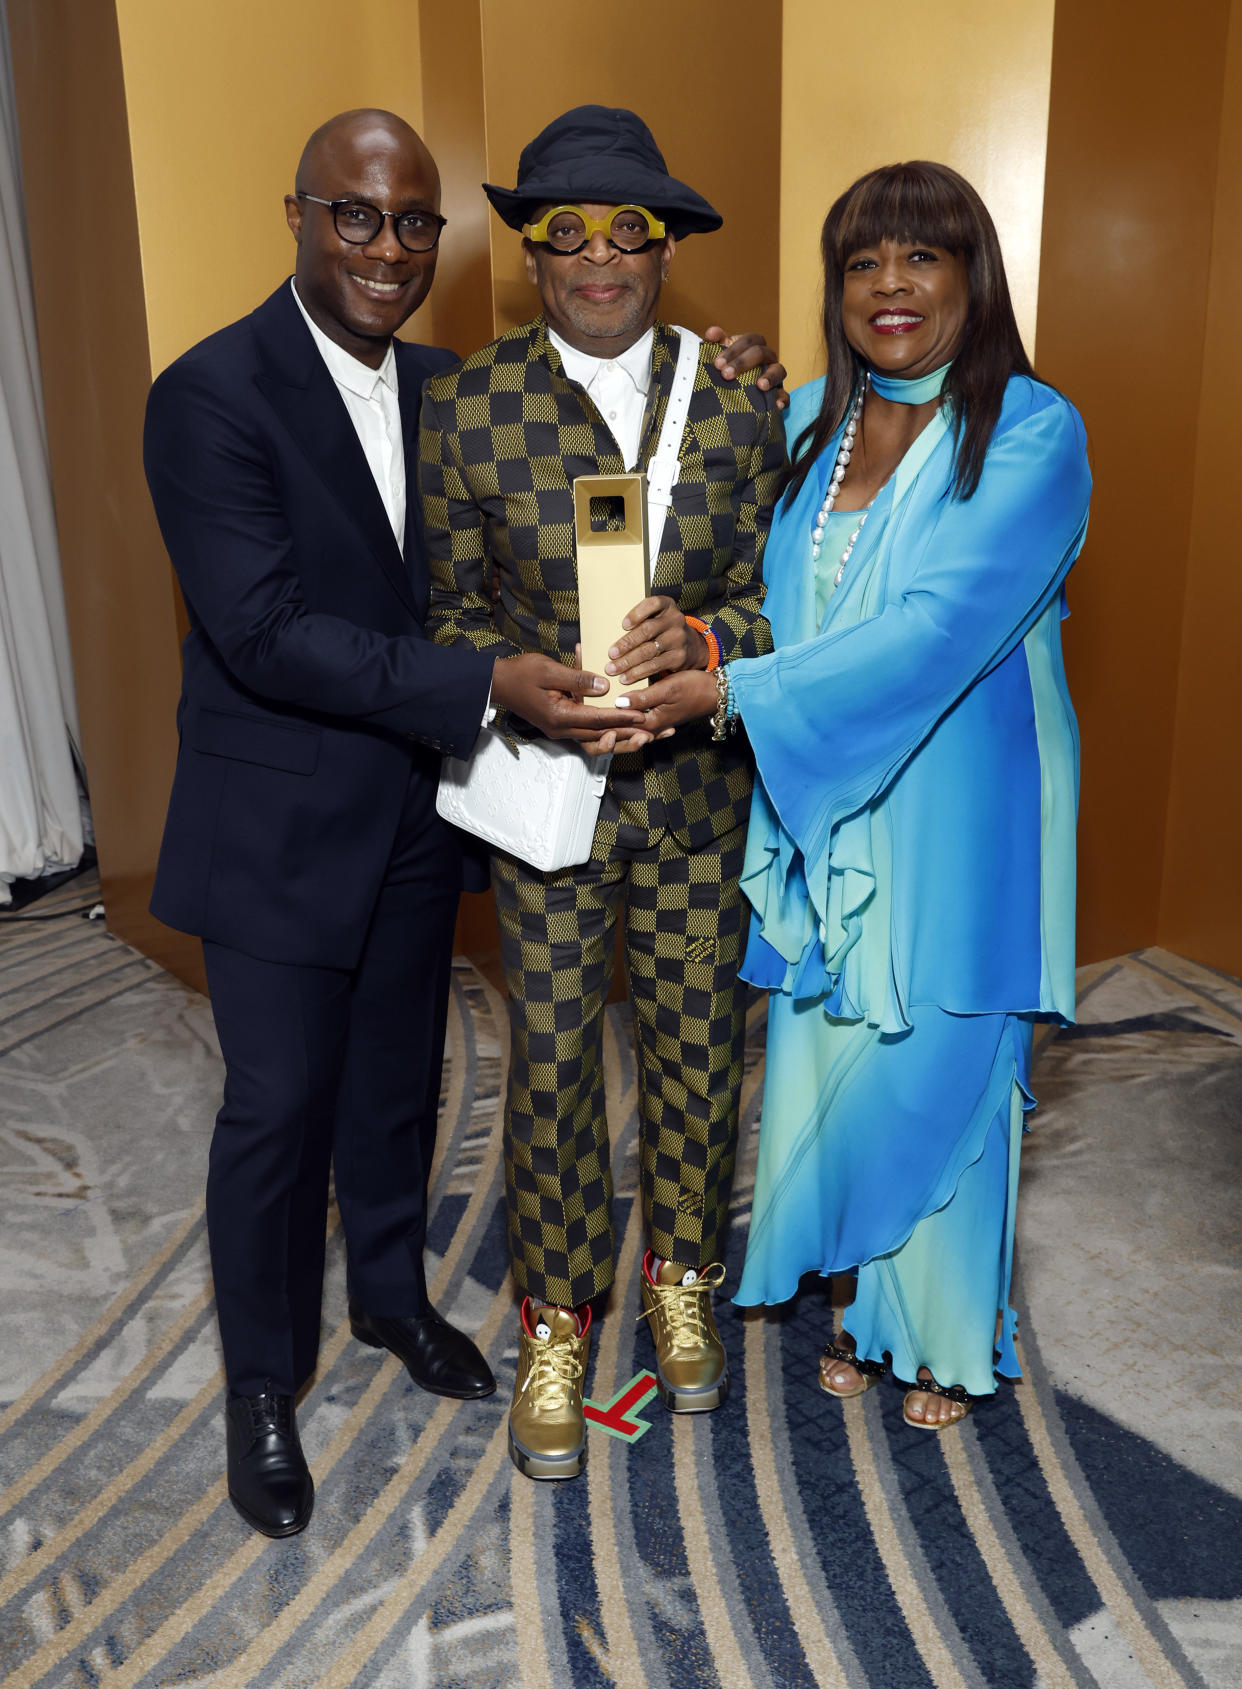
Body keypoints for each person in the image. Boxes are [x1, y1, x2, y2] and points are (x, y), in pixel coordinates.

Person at [143, 108, 783, 1536]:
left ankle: (392, 1301)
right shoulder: (213, 392)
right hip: (298, 814)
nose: (385, 246)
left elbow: (719, 524)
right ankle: (263, 1387)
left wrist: (744, 369)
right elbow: (263, 630)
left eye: (411, 224)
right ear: (300, 213)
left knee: (398, 1088)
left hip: (434, 809)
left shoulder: (446, 385)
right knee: (272, 1109)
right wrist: (492, 680)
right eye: (356, 217)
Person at [631, 161, 1091, 1430]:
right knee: (836, 1046)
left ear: (970, 278)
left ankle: (941, 1332)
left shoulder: (1035, 432)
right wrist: (725, 398)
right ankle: (858, 1289)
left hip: (963, 805)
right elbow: (766, 609)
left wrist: (729, 702)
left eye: (922, 257)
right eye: (861, 262)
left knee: (941, 1054)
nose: (889, 285)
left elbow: (942, 632)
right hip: (825, 791)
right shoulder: (806, 434)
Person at [422, 105, 786, 1480]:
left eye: (624, 229)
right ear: (526, 250)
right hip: (552, 800)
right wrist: (513, 673)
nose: (594, 256)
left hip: (700, 796)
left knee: (701, 1045)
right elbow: (447, 610)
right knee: (557, 1060)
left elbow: (780, 601)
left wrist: (706, 645)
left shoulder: (744, 406)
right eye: (562, 228)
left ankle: (680, 1275)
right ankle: (556, 1316)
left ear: (666, 246)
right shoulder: (468, 406)